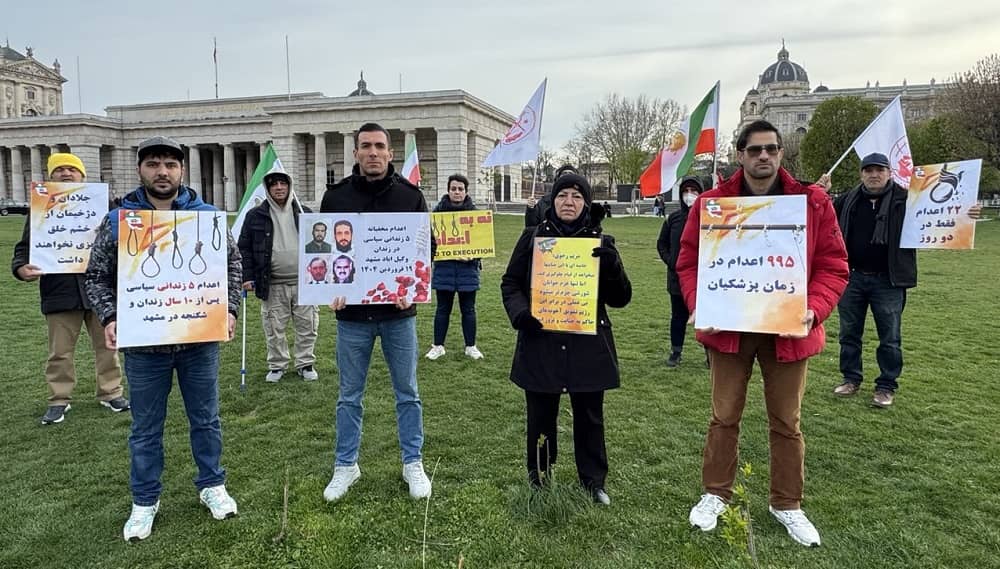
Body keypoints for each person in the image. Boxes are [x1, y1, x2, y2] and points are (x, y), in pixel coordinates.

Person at [677, 120, 849, 547]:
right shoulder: (713, 204)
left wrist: (815, 308)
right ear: (740, 155)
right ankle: (715, 493)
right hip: (729, 329)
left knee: (787, 422)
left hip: (788, 330)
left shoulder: (811, 203)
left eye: (771, 149)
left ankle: (787, 503)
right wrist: (701, 304)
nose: (764, 157)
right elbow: (688, 262)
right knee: (723, 416)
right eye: (755, 150)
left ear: (780, 154)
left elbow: (833, 265)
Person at [85, 136, 242, 541]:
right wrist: (110, 315)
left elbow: (232, 265)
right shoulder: (120, 218)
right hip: (145, 344)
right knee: (145, 427)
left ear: (181, 171)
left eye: (170, 165)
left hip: (197, 341)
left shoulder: (206, 216)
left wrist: (229, 308)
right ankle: (144, 500)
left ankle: (212, 484)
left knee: (206, 420)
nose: (162, 172)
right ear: (141, 170)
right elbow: (97, 275)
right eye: (153, 164)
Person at [501, 172, 632, 506]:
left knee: (590, 415)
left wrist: (613, 267)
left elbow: (621, 298)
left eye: (576, 196)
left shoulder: (601, 242)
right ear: (552, 201)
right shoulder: (532, 238)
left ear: (585, 203)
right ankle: (541, 477)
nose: (569, 202)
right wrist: (520, 315)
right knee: (541, 416)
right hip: (541, 340)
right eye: (562, 195)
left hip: (587, 343)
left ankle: (593, 481)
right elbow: (511, 283)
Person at [320, 122, 432, 501]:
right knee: (349, 395)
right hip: (352, 318)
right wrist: (330, 289)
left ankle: (412, 461)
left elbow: (424, 251)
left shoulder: (410, 197)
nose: (372, 152)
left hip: (398, 315)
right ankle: (346, 465)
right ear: (355, 153)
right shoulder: (334, 199)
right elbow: (324, 254)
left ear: (390, 153)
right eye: (365, 145)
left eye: (379, 146)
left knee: (408, 392)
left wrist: (414, 291)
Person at [827, 153, 982, 407]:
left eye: (879, 170)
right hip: (852, 278)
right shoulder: (847, 200)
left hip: (889, 281)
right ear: (861, 174)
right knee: (848, 334)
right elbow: (822, 217)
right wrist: (820, 192)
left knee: (890, 337)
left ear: (889, 173)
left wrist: (968, 212)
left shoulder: (908, 199)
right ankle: (850, 378)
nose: (873, 175)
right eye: (868, 170)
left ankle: (886, 386)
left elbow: (942, 211)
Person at [11, 152, 129, 425]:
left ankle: (111, 393)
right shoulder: (40, 208)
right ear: (51, 176)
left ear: (82, 175)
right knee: (60, 351)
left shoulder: (105, 205)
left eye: (71, 170)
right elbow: (24, 248)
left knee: (108, 346)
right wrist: (20, 268)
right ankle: (59, 399)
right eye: (59, 170)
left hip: (100, 290)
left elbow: (121, 243)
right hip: (60, 290)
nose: (66, 174)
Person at [237, 165, 319, 383]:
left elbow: (319, 244)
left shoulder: (304, 213)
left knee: (307, 325)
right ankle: (277, 365)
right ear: (268, 189)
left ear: (290, 186)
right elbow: (243, 248)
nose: (279, 188)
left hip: (304, 281)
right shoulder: (256, 216)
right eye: (274, 184)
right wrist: (247, 276)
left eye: (283, 183)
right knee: (274, 327)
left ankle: (305, 363)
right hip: (272, 282)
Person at [425, 174, 484, 361]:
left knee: (469, 310)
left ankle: (471, 346)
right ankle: (438, 346)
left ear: (466, 191)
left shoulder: (475, 214)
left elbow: (483, 243)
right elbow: (431, 243)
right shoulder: (438, 213)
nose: (456, 192)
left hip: (468, 270)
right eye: (453, 189)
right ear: (448, 190)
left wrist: (473, 255)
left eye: (460, 189)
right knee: (443, 309)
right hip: (444, 269)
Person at [657, 175, 708, 368]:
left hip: (702, 279)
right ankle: (676, 351)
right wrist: (671, 261)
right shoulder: (673, 219)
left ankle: (709, 353)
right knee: (678, 317)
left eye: (694, 191)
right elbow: (661, 243)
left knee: (705, 317)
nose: (690, 195)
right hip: (677, 280)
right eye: (686, 191)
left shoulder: (710, 218)